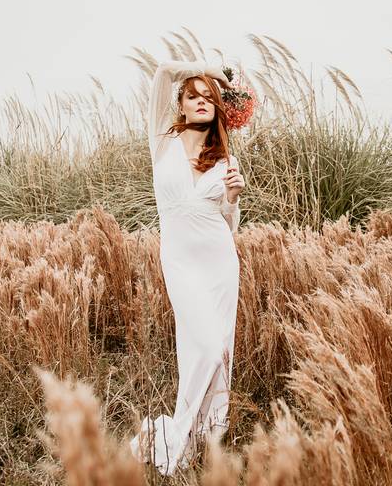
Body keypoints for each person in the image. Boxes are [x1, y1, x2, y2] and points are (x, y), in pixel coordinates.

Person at [129, 59, 245, 476]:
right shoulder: (162, 142)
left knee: (217, 351)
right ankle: (170, 435)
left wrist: (232, 197)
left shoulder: (226, 161)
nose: (200, 101)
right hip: (179, 261)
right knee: (205, 346)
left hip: (219, 263)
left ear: (217, 108)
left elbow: (230, 225)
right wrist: (213, 71)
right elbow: (162, 72)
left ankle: (201, 438)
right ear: (180, 104)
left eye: (208, 97)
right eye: (192, 95)